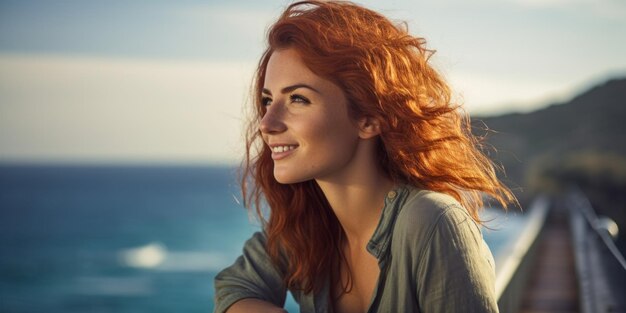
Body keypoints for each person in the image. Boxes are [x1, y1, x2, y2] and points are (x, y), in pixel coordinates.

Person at [214, 1, 515, 312]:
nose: (266, 123)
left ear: (369, 119)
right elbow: (235, 287)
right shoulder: (307, 228)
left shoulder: (432, 222)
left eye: (298, 99)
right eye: (267, 100)